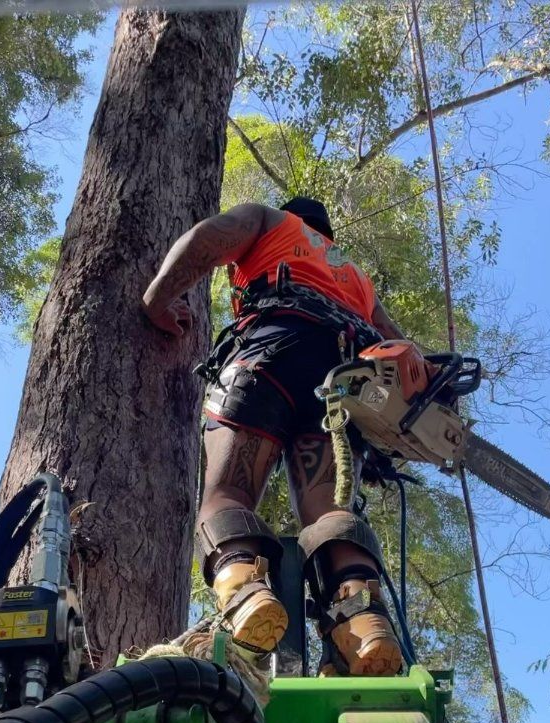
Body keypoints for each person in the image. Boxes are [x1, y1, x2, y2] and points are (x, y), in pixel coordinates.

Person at [142, 197, 409, 676]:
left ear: (294, 217)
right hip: (340, 381)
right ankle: (361, 617)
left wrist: (158, 298)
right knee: (329, 511)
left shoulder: (270, 221)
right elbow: (402, 352)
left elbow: (207, 238)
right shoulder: (358, 280)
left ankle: (244, 587)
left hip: (270, 352)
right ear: (327, 232)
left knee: (228, 492)